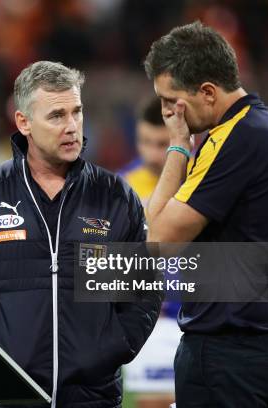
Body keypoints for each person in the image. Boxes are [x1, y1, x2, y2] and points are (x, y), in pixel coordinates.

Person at [0, 61, 162, 408]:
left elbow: (143, 289)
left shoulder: (115, 196)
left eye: (77, 112)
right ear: (24, 123)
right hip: (7, 395)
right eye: (56, 116)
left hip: (92, 397)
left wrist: (111, 347)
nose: (72, 127)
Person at [143, 21, 268, 407]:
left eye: (171, 101)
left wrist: (179, 146)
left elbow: (159, 240)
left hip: (226, 357)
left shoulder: (233, 140)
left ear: (207, 92)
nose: (168, 113)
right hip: (266, 347)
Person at [119, 97, 182, 408]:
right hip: (151, 320)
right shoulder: (122, 187)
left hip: (198, 315)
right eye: (145, 142)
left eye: (162, 144)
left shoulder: (203, 181)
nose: (153, 153)